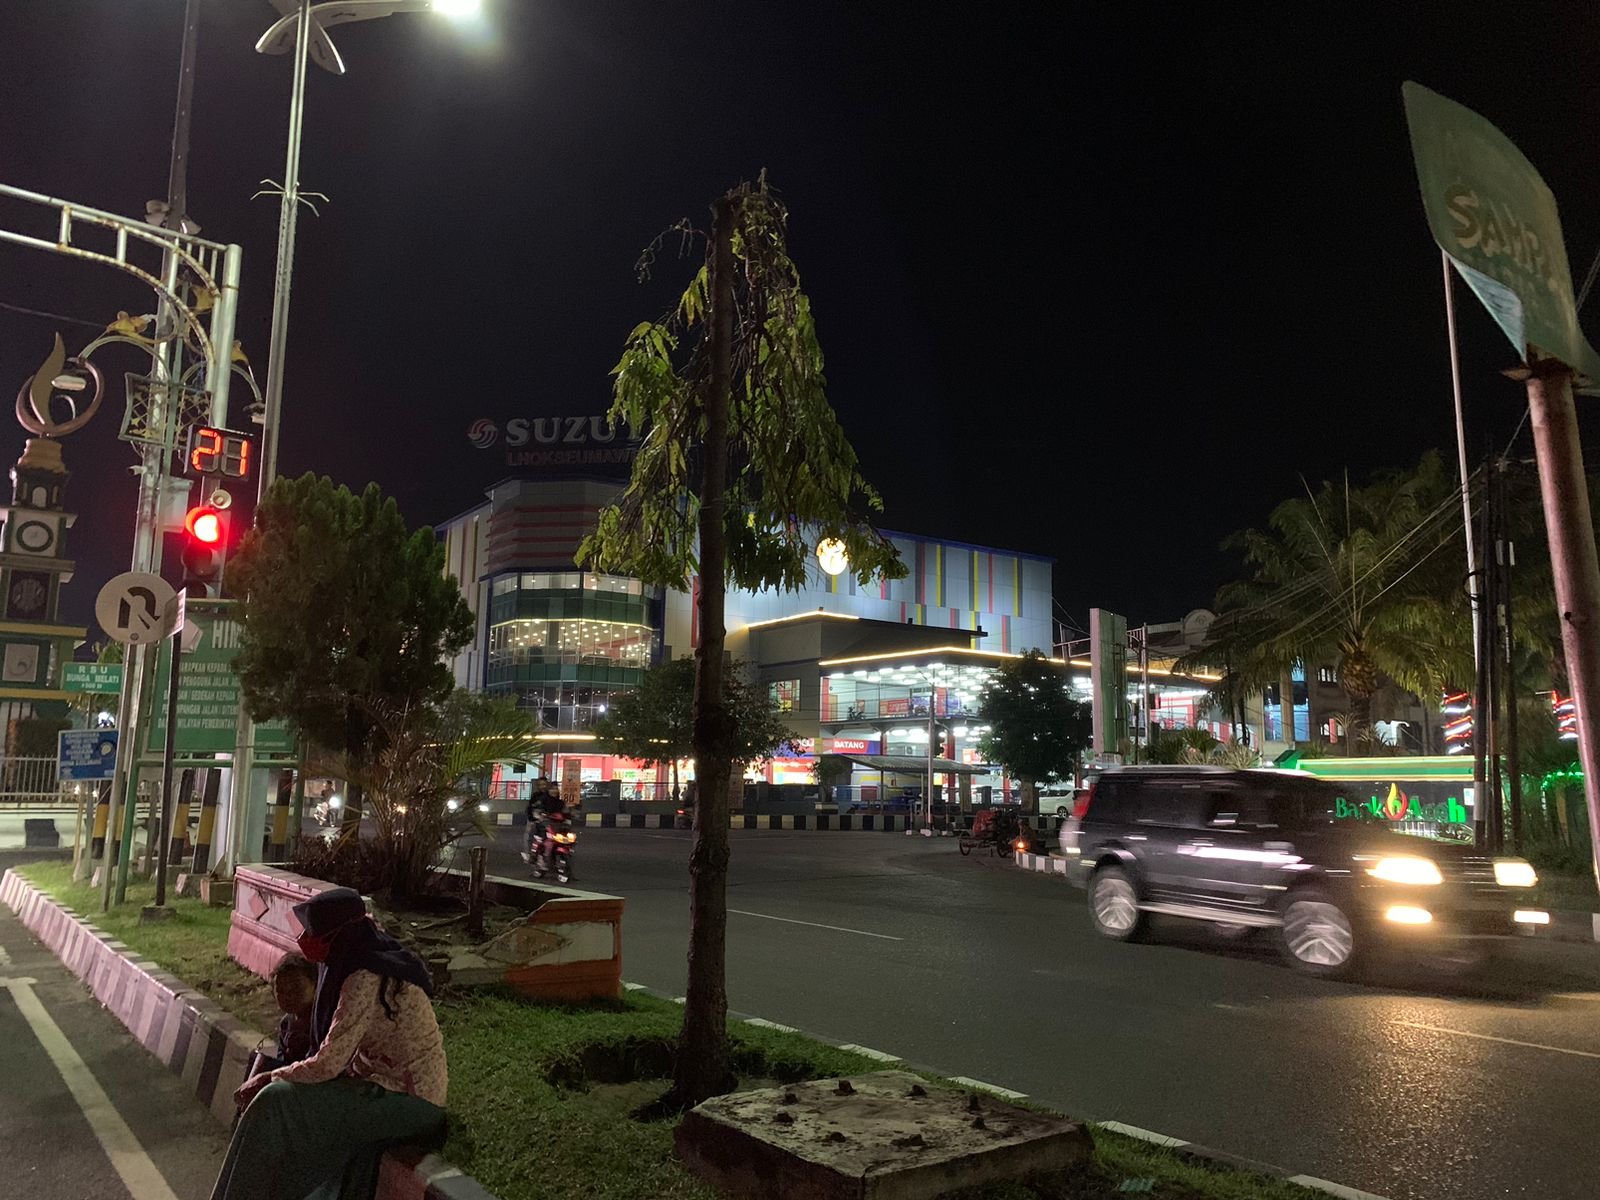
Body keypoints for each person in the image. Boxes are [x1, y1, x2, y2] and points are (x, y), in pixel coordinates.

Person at [211, 888, 447, 1200]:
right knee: (279, 1105)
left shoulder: (365, 974)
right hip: (373, 1085)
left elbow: (329, 1062)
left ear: (338, 933)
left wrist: (270, 1076)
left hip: (412, 1100)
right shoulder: (343, 963)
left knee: (275, 1101)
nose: (305, 938)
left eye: (312, 931)